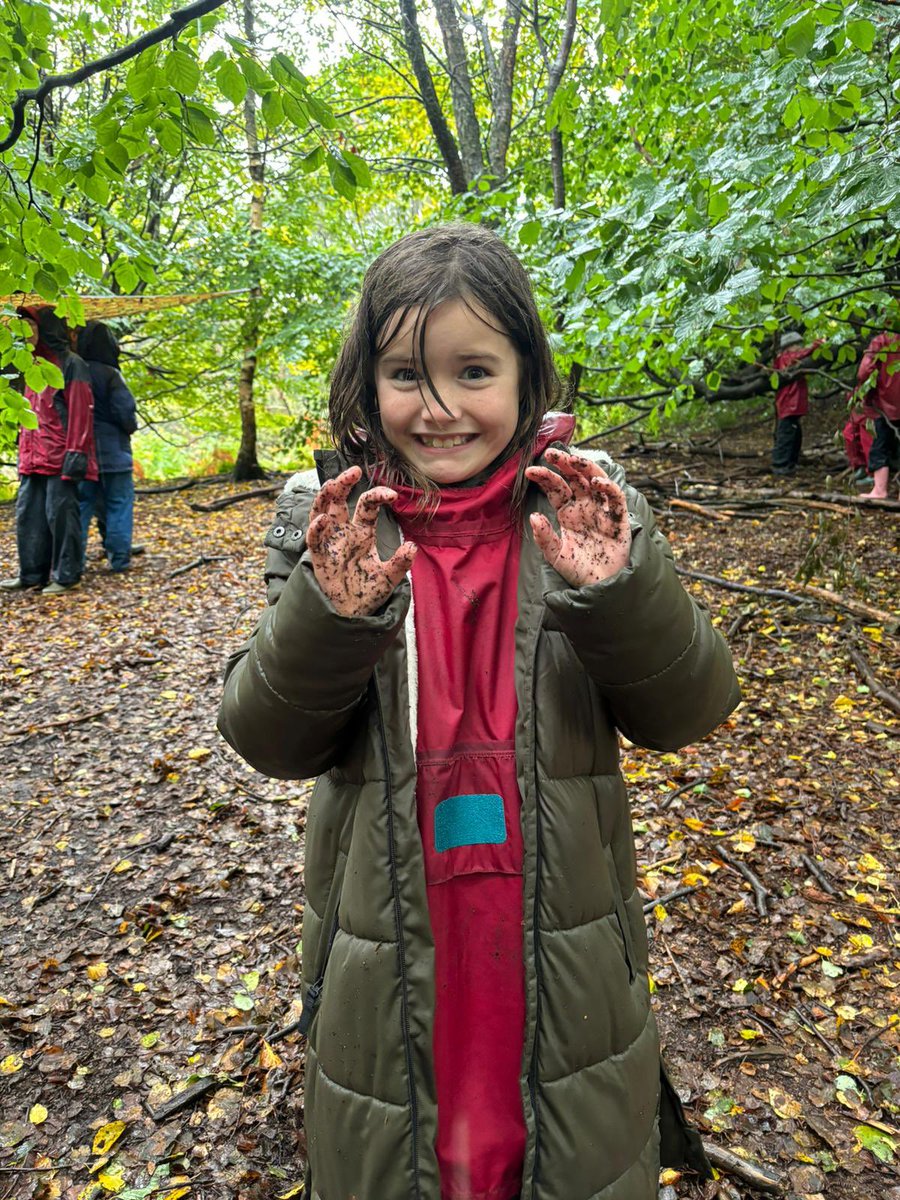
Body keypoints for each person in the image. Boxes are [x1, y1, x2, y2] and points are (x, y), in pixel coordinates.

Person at [217, 224, 741, 1200]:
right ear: (367, 383)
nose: (444, 406)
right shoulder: (336, 527)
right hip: (388, 969)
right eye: (408, 373)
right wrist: (328, 617)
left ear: (526, 374)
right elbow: (264, 736)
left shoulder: (584, 513)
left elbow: (690, 706)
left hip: (565, 967)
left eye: (474, 370)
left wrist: (621, 592)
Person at [0, 306, 96, 595]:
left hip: (60, 458)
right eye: (22, 326)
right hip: (32, 457)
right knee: (28, 517)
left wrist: (76, 454)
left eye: (30, 325)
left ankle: (66, 576)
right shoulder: (29, 366)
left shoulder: (71, 364)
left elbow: (82, 411)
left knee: (61, 518)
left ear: (46, 327)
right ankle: (31, 574)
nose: (25, 332)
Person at [76, 320, 138, 571]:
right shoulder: (111, 375)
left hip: (82, 454)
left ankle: (73, 562)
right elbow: (126, 414)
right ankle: (119, 560)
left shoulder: (73, 372)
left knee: (81, 508)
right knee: (119, 506)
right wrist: (128, 427)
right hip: (115, 455)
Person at [856, 329, 900, 499]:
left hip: (883, 402)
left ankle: (880, 490)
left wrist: (865, 393)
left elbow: (864, 371)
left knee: (880, 444)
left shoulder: (880, 341)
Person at [771, 331, 821, 476]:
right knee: (786, 435)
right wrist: (815, 345)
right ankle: (780, 465)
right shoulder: (785, 358)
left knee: (794, 435)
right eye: (795, 345)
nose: (798, 348)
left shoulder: (790, 360)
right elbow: (797, 356)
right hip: (789, 404)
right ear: (787, 348)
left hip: (793, 405)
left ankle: (790, 463)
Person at [842, 405, 874, 483]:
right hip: (858, 405)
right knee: (849, 434)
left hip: (870, 406)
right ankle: (860, 466)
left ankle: (873, 473)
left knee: (867, 439)